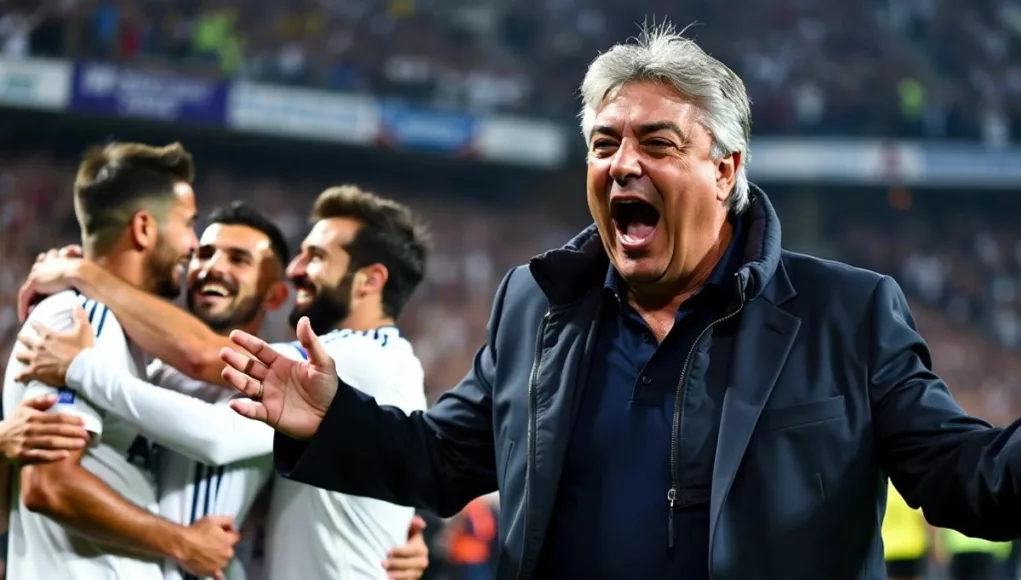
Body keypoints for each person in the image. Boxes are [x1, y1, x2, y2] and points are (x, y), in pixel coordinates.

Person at [216, 21, 1021, 580]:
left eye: (657, 144)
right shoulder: (536, 304)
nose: (621, 164)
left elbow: (965, 477)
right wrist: (330, 418)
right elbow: (441, 461)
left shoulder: (843, 313)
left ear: (725, 171)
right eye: (604, 144)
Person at [18, 188, 432, 579]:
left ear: (370, 280)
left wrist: (85, 299)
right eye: (204, 252)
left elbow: (215, 415)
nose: (297, 268)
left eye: (316, 256)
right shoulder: (149, 372)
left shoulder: (358, 358)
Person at [2, 141, 239, 580]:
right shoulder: (79, 320)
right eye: (188, 224)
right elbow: (50, 486)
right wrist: (182, 542)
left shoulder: (122, 337)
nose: (193, 244)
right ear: (144, 228)